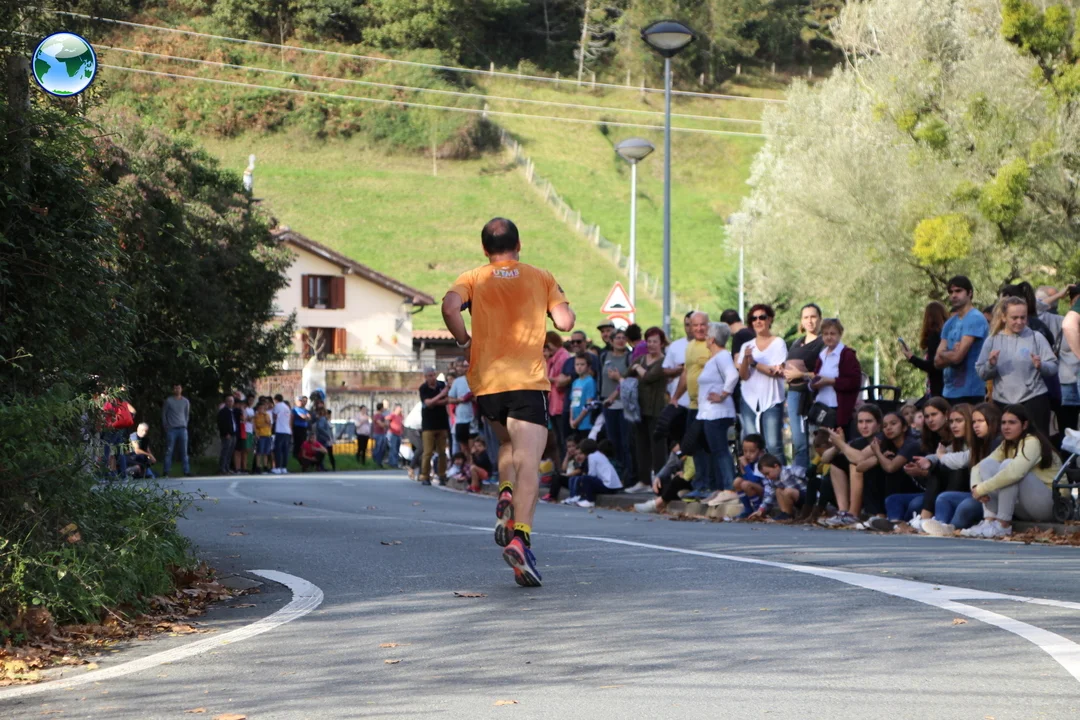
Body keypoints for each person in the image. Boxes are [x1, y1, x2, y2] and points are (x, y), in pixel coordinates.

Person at [442, 216, 576, 587]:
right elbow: (565, 323)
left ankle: (505, 492)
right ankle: (521, 539)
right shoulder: (541, 277)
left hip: (488, 383)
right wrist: (562, 304)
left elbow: (450, 307)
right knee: (529, 461)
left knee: (506, 443)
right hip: (527, 382)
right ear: (519, 245)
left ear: (484, 249)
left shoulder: (473, 278)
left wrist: (464, 340)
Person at [962, 404, 1060, 537]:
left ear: (1024, 425)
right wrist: (975, 487)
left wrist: (982, 489)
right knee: (987, 464)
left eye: (1012, 423)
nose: (1006, 427)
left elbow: (1014, 473)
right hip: (1025, 508)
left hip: (1049, 506)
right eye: (1003, 423)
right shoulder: (1007, 444)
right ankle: (989, 522)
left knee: (1008, 466)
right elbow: (977, 467)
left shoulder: (1032, 441)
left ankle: (1003, 525)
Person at [976, 296, 1057, 435]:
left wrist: (1041, 366)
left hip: (1033, 399)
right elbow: (981, 372)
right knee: (1006, 442)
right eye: (1014, 318)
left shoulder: (1036, 337)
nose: (1019, 322)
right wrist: (990, 365)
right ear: (1004, 317)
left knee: (1036, 441)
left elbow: (1053, 366)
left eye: (1023, 317)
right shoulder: (992, 340)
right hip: (1003, 402)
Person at [922, 402, 1001, 535]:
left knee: (965, 506)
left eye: (980, 421)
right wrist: (930, 459)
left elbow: (963, 459)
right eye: (974, 422)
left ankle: (951, 528)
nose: (975, 425)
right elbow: (974, 467)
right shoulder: (977, 443)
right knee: (943, 498)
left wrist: (941, 456)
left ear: (992, 421)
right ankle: (939, 524)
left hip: (992, 496)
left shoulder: (997, 442)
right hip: (977, 493)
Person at [736, 304, 787, 459]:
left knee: (773, 445)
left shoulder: (778, 343)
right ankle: (756, 474)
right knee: (751, 446)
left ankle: (780, 474)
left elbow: (776, 372)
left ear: (769, 319)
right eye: (754, 318)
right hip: (749, 400)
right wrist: (746, 360)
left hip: (772, 399)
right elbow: (744, 376)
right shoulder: (746, 346)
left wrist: (754, 363)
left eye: (762, 317)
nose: (758, 321)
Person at [671, 312, 713, 498]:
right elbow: (686, 373)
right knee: (694, 446)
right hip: (693, 405)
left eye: (702, 324)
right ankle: (700, 484)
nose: (699, 328)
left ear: (708, 325)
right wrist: (676, 396)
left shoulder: (712, 345)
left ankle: (709, 485)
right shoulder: (690, 346)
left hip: (709, 406)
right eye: (695, 325)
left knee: (707, 447)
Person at [820, 404, 883, 527]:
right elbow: (825, 459)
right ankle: (843, 512)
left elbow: (859, 458)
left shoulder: (882, 437)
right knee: (836, 463)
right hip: (867, 483)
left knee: (855, 464)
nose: (864, 426)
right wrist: (837, 446)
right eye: (860, 422)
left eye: (869, 421)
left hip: (882, 485)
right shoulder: (859, 441)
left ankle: (853, 514)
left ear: (879, 424)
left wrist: (841, 444)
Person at [862, 411, 924, 530]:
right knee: (873, 471)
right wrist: (879, 458)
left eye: (893, 423)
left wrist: (878, 453)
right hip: (898, 495)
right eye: (885, 426)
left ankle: (894, 523)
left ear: (904, 427)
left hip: (921, 490)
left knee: (913, 504)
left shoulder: (911, 444)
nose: (888, 428)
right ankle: (888, 520)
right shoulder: (887, 445)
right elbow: (860, 467)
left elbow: (891, 468)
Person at [697, 322, 739, 496]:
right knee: (716, 451)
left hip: (718, 413)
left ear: (712, 339)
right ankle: (721, 488)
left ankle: (729, 488)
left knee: (720, 451)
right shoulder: (715, 358)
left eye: (707, 335)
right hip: (709, 413)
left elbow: (733, 375)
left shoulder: (722, 356)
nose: (706, 338)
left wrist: (722, 395)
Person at [626, 326, 669, 494]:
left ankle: (659, 481)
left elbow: (650, 376)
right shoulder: (642, 358)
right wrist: (637, 368)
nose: (651, 345)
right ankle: (643, 480)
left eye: (655, 342)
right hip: (639, 408)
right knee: (641, 445)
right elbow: (627, 372)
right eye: (649, 341)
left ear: (661, 343)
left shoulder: (664, 361)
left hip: (657, 408)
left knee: (658, 447)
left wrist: (638, 369)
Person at [936, 275, 990, 406]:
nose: (954, 295)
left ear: (970, 293)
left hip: (970, 392)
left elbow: (957, 357)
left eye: (958, 291)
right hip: (948, 391)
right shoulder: (949, 323)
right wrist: (950, 353)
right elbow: (937, 362)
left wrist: (944, 353)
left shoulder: (975, 318)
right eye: (951, 292)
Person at [806, 318, 863, 437]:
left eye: (832, 334)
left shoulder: (846, 355)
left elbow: (855, 382)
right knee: (822, 442)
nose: (829, 337)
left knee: (838, 442)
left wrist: (831, 381)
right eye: (825, 334)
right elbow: (815, 377)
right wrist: (813, 385)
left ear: (840, 334)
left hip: (838, 409)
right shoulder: (822, 355)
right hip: (821, 408)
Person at [783, 303, 823, 469]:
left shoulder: (823, 343)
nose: (810, 321)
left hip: (813, 397)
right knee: (799, 442)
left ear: (820, 319)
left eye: (813, 317)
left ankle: (815, 474)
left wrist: (802, 375)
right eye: (806, 317)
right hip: (794, 395)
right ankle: (800, 474)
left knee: (821, 441)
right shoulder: (796, 342)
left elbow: (826, 374)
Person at [599, 328, 633, 483]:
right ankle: (616, 473)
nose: (620, 341)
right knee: (612, 441)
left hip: (623, 404)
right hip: (608, 404)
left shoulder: (629, 357)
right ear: (611, 341)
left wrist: (618, 377)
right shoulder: (604, 356)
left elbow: (631, 380)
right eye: (617, 338)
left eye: (623, 338)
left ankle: (628, 475)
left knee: (626, 442)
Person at [661, 312, 695, 445]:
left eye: (692, 325)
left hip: (700, 403)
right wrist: (680, 370)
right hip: (679, 402)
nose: (690, 328)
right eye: (687, 325)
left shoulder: (708, 345)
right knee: (680, 440)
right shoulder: (675, 346)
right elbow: (665, 370)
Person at [903, 301, 947, 398]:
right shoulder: (946, 335)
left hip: (938, 388)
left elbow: (932, 365)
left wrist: (912, 358)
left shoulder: (934, 336)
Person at [749, 454, 807, 521]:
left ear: (776, 466)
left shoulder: (792, 470)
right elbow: (770, 496)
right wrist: (761, 510)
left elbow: (811, 477)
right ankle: (786, 514)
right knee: (778, 491)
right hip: (797, 503)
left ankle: (789, 515)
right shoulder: (773, 481)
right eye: (765, 475)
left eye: (767, 473)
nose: (767, 477)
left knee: (788, 491)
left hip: (808, 498)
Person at [418, 368, 450, 485]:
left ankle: (442, 474)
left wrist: (434, 401)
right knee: (428, 452)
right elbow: (427, 403)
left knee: (442, 452)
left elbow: (447, 400)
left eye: (433, 375)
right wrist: (440, 395)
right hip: (428, 425)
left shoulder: (442, 385)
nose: (432, 378)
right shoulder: (423, 388)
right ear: (425, 377)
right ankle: (424, 476)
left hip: (442, 423)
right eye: (429, 376)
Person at [544, 331, 571, 454]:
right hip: (553, 405)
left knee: (563, 438)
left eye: (547, 345)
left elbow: (561, 381)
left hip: (560, 403)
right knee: (558, 439)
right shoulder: (552, 358)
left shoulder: (563, 356)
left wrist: (550, 379)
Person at [574, 439, 622, 508]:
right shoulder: (599, 454)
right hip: (615, 487)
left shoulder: (591, 456)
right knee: (588, 479)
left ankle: (590, 501)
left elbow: (592, 474)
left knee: (585, 478)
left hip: (608, 487)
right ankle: (584, 498)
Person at [448, 361, 475, 468]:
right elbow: (450, 399)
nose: (465, 368)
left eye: (467, 366)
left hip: (473, 418)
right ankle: (467, 466)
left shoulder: (477, 379)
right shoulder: (458, 381)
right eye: (464, 366)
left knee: (473, 446)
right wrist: (459, 400)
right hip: (461, 419)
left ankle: (473, 466)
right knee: (463, 446)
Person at [732, 433, 767, 517]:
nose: (747, 454)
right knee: (737, 481)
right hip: (757, 488)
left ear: (761, 452)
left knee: (745, 484)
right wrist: (743, 470)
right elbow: (747, 478)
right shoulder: (750, 462)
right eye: (745, 451)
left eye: (752, 451)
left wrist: (746, 466)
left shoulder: (762, 462)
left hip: (767, 492)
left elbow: (754, 480)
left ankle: (758, 509)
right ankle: (747, 509)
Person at [161, 383, 191, 478]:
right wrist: (166, 426)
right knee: (169, 450)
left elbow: (186, 414)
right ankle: (166, 471)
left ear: (181, 389)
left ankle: (186, 471)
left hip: (182, 429)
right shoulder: (169, 401)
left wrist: (185, 424)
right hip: (171, 429)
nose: (177, 390)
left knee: (184, 451)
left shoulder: (185, 401)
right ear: (173, 390)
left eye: (178, 388)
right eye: (175, 388)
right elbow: (164, 414)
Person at [569, 353, 597, 438]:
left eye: (582, 364)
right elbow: (572, 402)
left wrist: (577, 420)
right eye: (577, 364)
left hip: (585, 423)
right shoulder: (575, 382)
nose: (579, 367)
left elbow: (588, 405)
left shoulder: (590, 381)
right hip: (575, 423)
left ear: (588, 366)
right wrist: (571, 419)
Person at [544, 437, 581, 503]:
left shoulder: (578, 457)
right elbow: (564, 469)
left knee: (558, 477)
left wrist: (567, 475)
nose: (571, 448)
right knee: (555, 476)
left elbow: (579, 470)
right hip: (569, 478)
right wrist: (567, 456)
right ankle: (551, 496)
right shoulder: (570, 458)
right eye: (569, 447)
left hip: (575, 480)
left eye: (573, 446)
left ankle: (552, 497)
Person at [271, 394, 292, 474]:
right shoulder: (287, 407)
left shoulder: (278, 406)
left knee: (278, 449)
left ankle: (277, 467)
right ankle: (284, 467)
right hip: (287, 431)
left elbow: (274, 416)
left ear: (276, 399)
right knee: (285, 450)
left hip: (280, 430)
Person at [217, 394, 237, 475]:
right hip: (227, 435)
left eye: (231, 401)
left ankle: (227, 468)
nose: (230, 402)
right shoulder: (223, 412)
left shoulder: (232, 411)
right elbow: (221, 424)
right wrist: (226, 433)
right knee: (225, 452)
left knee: (230, 452)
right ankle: (222, 469)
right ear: (225, 402)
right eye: (228, 401)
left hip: (233, 434)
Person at [254, 398, 273, 474]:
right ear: (258, 409)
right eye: (260, 408)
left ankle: (265, 466)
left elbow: (269, 423)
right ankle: (258, 466)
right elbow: (256, 425)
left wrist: (265, 417)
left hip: (267, 434)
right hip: (260, 435)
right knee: (259, 452)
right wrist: (257, 433)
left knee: (266, 452)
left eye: (263, 408)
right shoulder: (256, 416)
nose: (262, 409)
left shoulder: (267, 415)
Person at [315, 406, 336, 471]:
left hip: (325, 439)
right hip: (323, 438)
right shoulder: (323, 419)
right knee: (322, 453)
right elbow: (320, 428)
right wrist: (327, 435)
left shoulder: (324, 420)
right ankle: (319, 466)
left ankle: (321, 466)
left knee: (323, 453)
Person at [291, 396, 311, 462]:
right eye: (299, 401)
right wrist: (305, 417)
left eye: (301, 401)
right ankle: (296, 454)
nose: (301, 402)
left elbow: (309, 417)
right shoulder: (295, 409)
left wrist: (306, 417)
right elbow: (303, 417)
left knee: (303, 442)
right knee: (298, 442)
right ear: (296, 402)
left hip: (304, 428)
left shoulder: (304, 409)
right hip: (298, 428)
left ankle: (302, 455)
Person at [371, 402, 389, 468]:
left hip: (382, 433)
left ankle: (380, 461)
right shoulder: (377, 415)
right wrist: (385, 424)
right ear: (381, 408)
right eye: (383, 407)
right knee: (378, 448)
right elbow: (381, 424)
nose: (384, 409)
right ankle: (376, 461)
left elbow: (386, 424)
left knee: (382, 449)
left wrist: (385, 424)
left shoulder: (382, 416)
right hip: (378, 433)